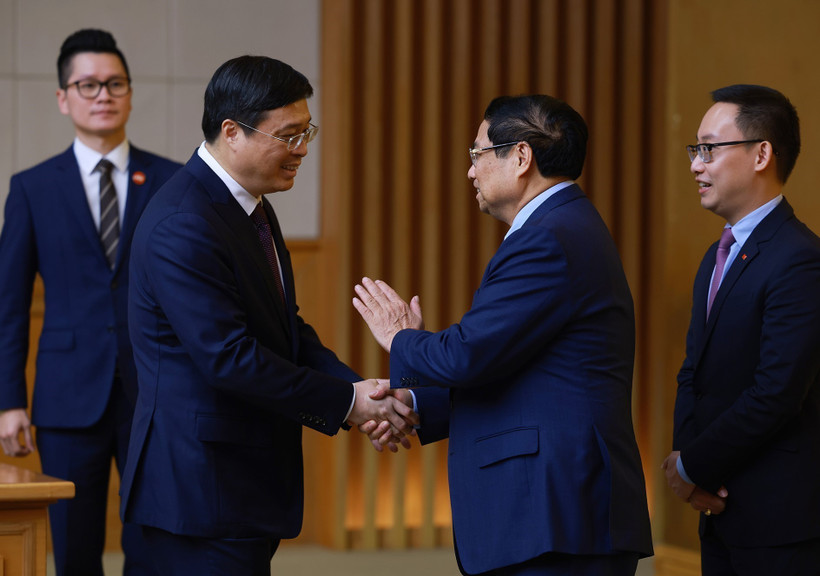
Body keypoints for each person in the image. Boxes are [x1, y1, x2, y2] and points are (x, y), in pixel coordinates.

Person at [119, 55, 417, 575]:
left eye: (307, 132)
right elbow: (228, 359)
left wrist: (358, 390)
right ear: (232, 131)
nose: (301, 150)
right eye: (288, 135)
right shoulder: (184, 222)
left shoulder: (249, 205)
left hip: (237, 488)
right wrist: (349, 404)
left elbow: (285, 330)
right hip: (200, 492)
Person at [353, 94, 653, 576]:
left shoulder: (549, 237)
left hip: (554, 512)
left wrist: (401, 338)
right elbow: (515, 372)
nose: (470, 171)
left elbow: (469, 354)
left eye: (476, 154)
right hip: (553, 513)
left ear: (520, 157)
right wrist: (413, 405)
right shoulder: (563, 227)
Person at [0, 28, 181, 576]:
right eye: (88, 84)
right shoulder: (31, 187)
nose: (102, 94)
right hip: (65, 394)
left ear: (129, 92)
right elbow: (9, 306)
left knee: (153, 538)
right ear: (63, 97)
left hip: (155, 390)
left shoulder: (172, 181)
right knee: (74, 546)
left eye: (114, 83)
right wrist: (10, 401)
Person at [663, 84, 820, 575]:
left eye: (709, 148)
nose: (695, 164)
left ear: (761, 154)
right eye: (695, 149)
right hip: (719, 512)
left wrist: (692, 467)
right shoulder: (717, 254)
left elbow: (776, 392)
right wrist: (687, 466)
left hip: (778, 524)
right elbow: (694, 373)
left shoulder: (800, 259)